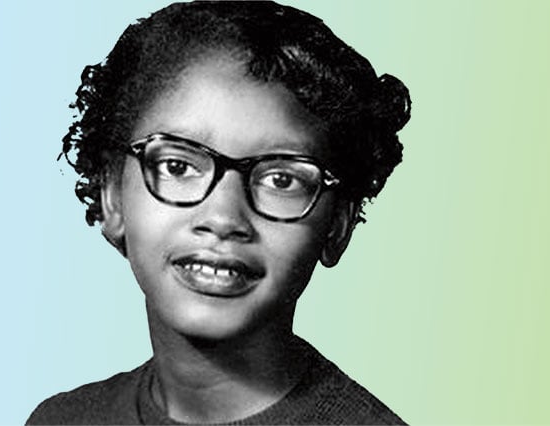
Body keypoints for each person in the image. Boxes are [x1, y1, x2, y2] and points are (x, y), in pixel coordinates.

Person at [27, 1, 411, 424]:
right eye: (178, 166)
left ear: (338, 224)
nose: (224, 218)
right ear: (112, 194)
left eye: (281, 180)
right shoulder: (61, 419)